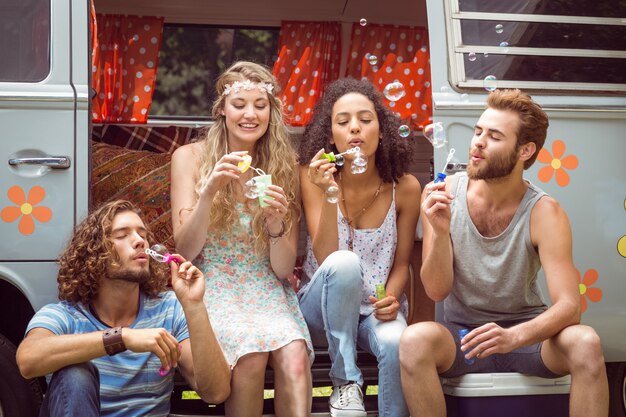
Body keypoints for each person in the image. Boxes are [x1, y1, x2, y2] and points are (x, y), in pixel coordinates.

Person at [399, 89, 609, 417]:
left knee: (586, 342)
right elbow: (436, 290)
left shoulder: (544, 212)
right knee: (414, 340)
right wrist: (439, 232)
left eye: (494, 136)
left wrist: (513, 336)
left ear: (524, 151)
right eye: (478, 131)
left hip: (527, 336)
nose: (478, 142)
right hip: (464, 338)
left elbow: (570, 306)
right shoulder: (444, 195)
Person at [171, 61, 313, 417]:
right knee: (249, 358)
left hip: (264, 285)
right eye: (239, 105)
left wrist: (277, 223)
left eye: (260, 106)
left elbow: (282, 270)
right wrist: (209, 192)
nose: (250, 114)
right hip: (213, 283)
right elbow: (185, 250)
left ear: (271, 111)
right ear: (222, 109)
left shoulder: (284, 166)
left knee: (295, 356)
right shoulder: (189, 158)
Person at [16, 200, 230, 417]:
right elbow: (28, 359)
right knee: (75, 373)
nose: (139, 241)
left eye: (142, 234)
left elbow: (216, 392)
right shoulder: (66, 316)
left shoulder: (169, 309)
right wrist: (121, 338)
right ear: (94, 252)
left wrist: (194, 305)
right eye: (122, 235)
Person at [297, 77, 421, 417]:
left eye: (366, 120)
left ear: (382, 132)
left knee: (398, 342)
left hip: (372, 312)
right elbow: (327, 258)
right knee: (345, 263)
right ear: (330, 136)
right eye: (343, 121)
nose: (355, 128)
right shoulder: (312, 176)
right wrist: (327, 193)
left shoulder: (406, 188)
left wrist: (392, 297)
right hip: (321, 307)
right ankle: (346, 383)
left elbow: (401, 265)